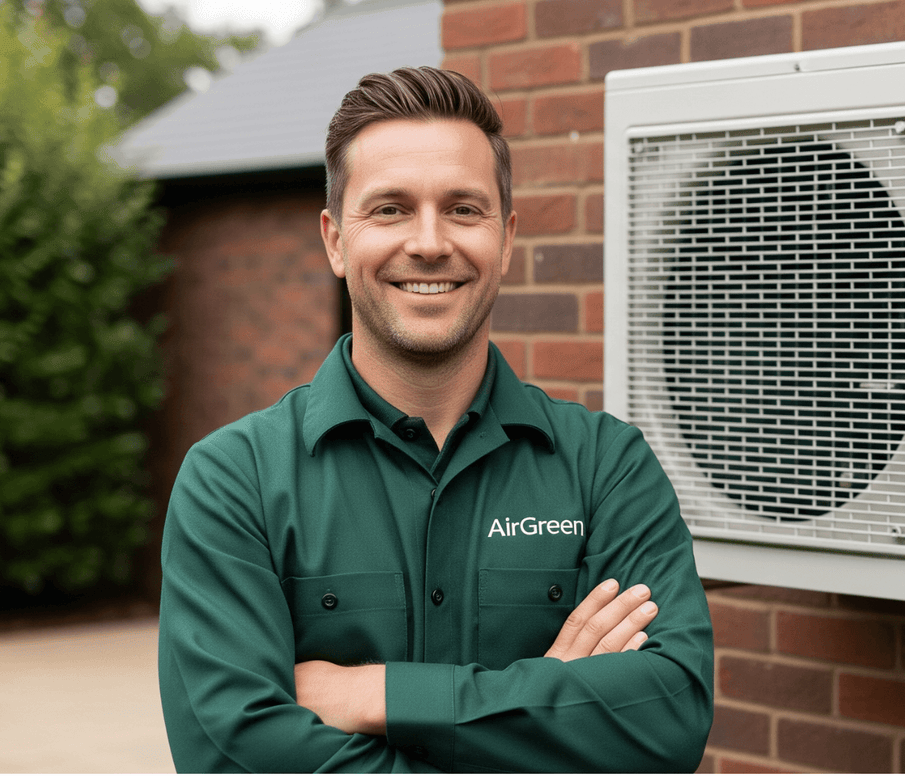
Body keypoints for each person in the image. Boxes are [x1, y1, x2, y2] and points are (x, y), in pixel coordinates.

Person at [157, 66, 714, 772]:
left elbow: (667, 718)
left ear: (506, 238)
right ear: (334, 239)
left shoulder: (606, 467)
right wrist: (554, 708)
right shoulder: (234, 482)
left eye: (463, 208)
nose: (428, 242)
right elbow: (231, 756)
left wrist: (376, 693)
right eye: (389, 209)